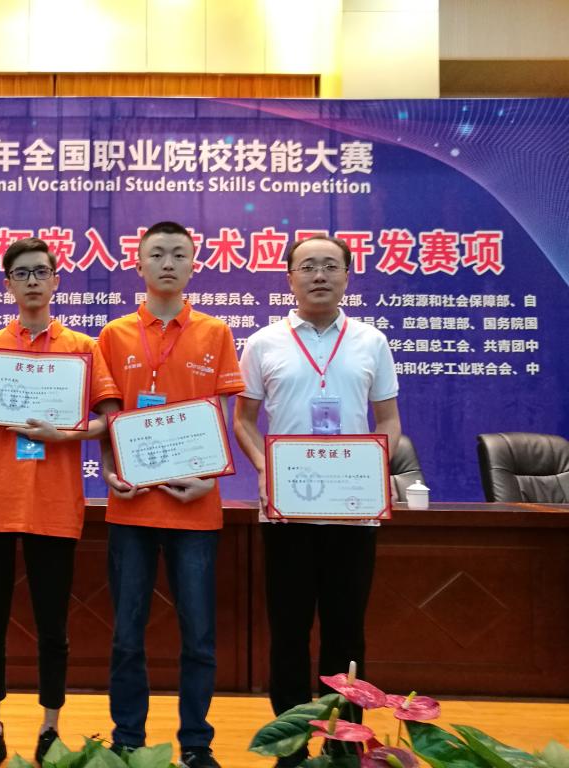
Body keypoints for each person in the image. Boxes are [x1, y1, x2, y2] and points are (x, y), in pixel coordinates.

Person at [233, 235, 401, 767]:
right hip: (287, 511)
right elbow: (243, 420)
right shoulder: (263, 343)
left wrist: (374, 469)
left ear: (348, 276)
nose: (320, 275)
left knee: (346, 632)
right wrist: (266, 468)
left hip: (351, 512)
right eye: (308, 266)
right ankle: (289, 745)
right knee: (288, 630)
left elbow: (388, 419)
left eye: (331, 265)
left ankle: (343, 742)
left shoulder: (371, 341)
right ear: (290, 277)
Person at [0, 238, 120, 768]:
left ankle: (50, 730)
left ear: (56, 280)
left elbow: (107, 421)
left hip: (53, 503)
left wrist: (65, 435)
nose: (32, 281)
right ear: (7, 284)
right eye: (22, 273)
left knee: (53, 628)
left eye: (41, 272)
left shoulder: (82, 347)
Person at [97, 221, 244, 768]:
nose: (167, 263)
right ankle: (127, 741)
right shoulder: (113, 335)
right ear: (138, 265)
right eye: (156, 254)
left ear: (192, 265)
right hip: (132, 505)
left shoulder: (215, 332)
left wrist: (212, 478)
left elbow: (222, 413)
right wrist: (108, 468)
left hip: (196, 507)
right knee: (126, 635)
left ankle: (197, 745)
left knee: (199, 637)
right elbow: (109, 413)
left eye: (178, 254)